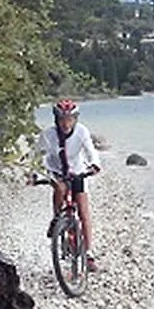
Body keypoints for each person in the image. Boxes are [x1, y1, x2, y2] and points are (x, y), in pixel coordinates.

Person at [32, 98, 101, 272]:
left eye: (70, 119)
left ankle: (89, 253)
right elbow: (36, 155)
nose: (66, 123)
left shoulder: (81, 132)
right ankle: (57, 218)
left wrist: (94, 164)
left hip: (77, 171)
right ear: (56, 120)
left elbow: (90, 150)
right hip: (56, 171)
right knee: (60, 188)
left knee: (84, 213)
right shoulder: (48, 135)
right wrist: (33, 174)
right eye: (62, 119)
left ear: (75, 119)